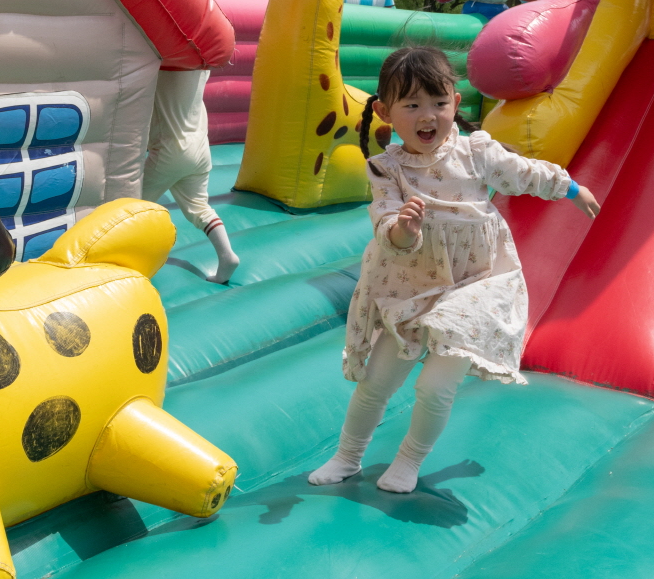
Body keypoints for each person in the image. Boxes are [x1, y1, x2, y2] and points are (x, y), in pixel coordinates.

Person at [308, 47, 599, 494]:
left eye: (439, 103)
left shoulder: (476, 153)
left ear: (456, 104)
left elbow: (523, 173)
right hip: (412, 285)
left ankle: (408, 462)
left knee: (435, 386)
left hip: (476, 287)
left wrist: (570, 188)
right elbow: (387, 228)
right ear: (385, 112)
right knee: (376, 383)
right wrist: (406, 229)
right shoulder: (387, 170)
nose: (429, 116)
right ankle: (347, 457)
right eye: (412, 105)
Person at [142, 68, 241, 283]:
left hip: (170, 150)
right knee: (200, 208)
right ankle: (226, 255)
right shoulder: (202, 67)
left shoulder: (164, 65)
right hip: (200, 148)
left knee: (129, 206)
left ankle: (125, 261)